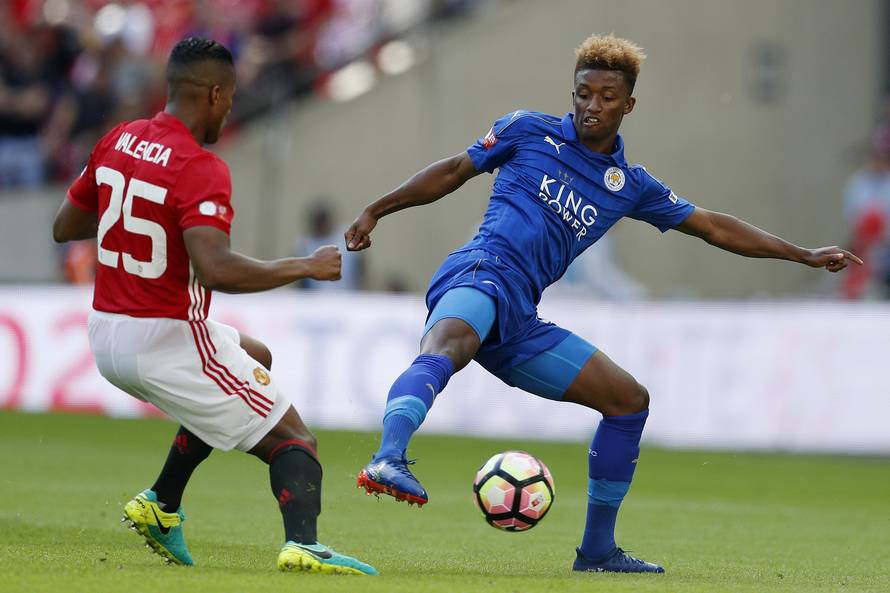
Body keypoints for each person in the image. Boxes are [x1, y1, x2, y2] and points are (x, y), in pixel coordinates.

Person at [345, 34, 861, 574]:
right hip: (483, 269)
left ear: (628, 105)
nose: (592, 106)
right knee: (451, 343)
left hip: (521, 315)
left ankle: (596, 552)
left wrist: (801, 254)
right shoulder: (527, 129)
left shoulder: (630, 186)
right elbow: (454, 170)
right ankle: (387, 458)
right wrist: (378, 209)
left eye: (606, 97)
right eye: (583, 94)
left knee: (628, 401)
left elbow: (712, 226)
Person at [52, 38, 376, 576]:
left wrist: (145, 217)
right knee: (294, 438)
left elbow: (65, 226)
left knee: (256, 355)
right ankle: (304, 545)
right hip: (163, 335)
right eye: (229, 100)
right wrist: (305, 266)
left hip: (105, 328)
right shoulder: (200, 167)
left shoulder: (119, 139)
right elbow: (217, 270)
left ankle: (162, 502)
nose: (229, 110)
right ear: (215, 93)